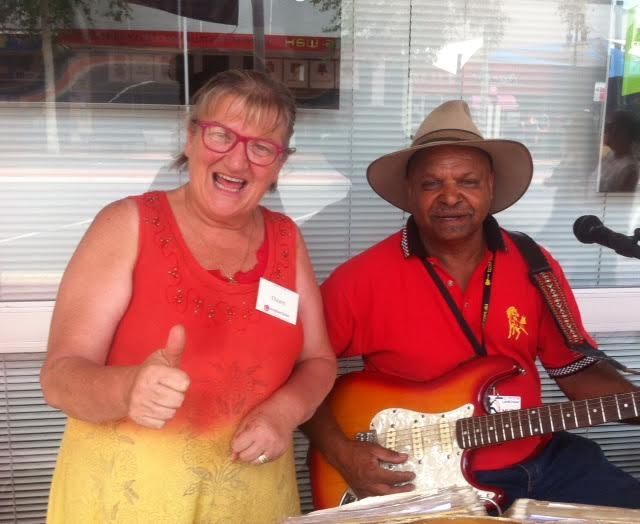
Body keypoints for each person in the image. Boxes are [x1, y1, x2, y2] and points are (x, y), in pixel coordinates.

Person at [302, 100, 640, 511]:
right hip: (426, 481)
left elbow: (576, 371)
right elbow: (301, 371)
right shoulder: (360, 280)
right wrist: (342, 453)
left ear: (491, 187)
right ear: (410, 192)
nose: (450, 197)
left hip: (538, 460)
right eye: (431, 184)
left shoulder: (535, 265)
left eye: (468, 181)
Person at [40, 69, 337, 523]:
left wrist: (283, 413)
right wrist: (127, 388)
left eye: (261, 147)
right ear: (191, 138)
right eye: (221, 136)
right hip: (132, 503)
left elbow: (318, 361)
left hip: (250, 502)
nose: (238, 163)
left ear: (279, 164)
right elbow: (60, 377)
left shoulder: (286, 238)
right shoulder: (127, 224)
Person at [598, 109, 640, 192]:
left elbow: (621, 202)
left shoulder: (629, 169)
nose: (606, 130)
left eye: (610, 126)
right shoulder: (610, 155)